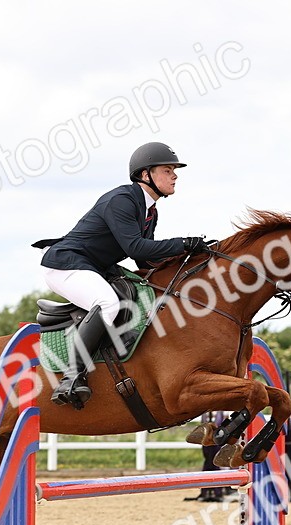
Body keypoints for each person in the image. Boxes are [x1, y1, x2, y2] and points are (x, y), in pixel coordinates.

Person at [37, 142, 211, 409]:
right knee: (108, 302)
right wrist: (183, 243)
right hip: (66, 265)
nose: (175, 175)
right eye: (167, 170)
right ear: (145, 175)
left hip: (93, 268)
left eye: (174, 170)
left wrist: (190, 258)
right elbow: (135, 247)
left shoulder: (149, 210)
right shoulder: (122, 200)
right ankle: (71, 377)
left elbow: (144, 260)